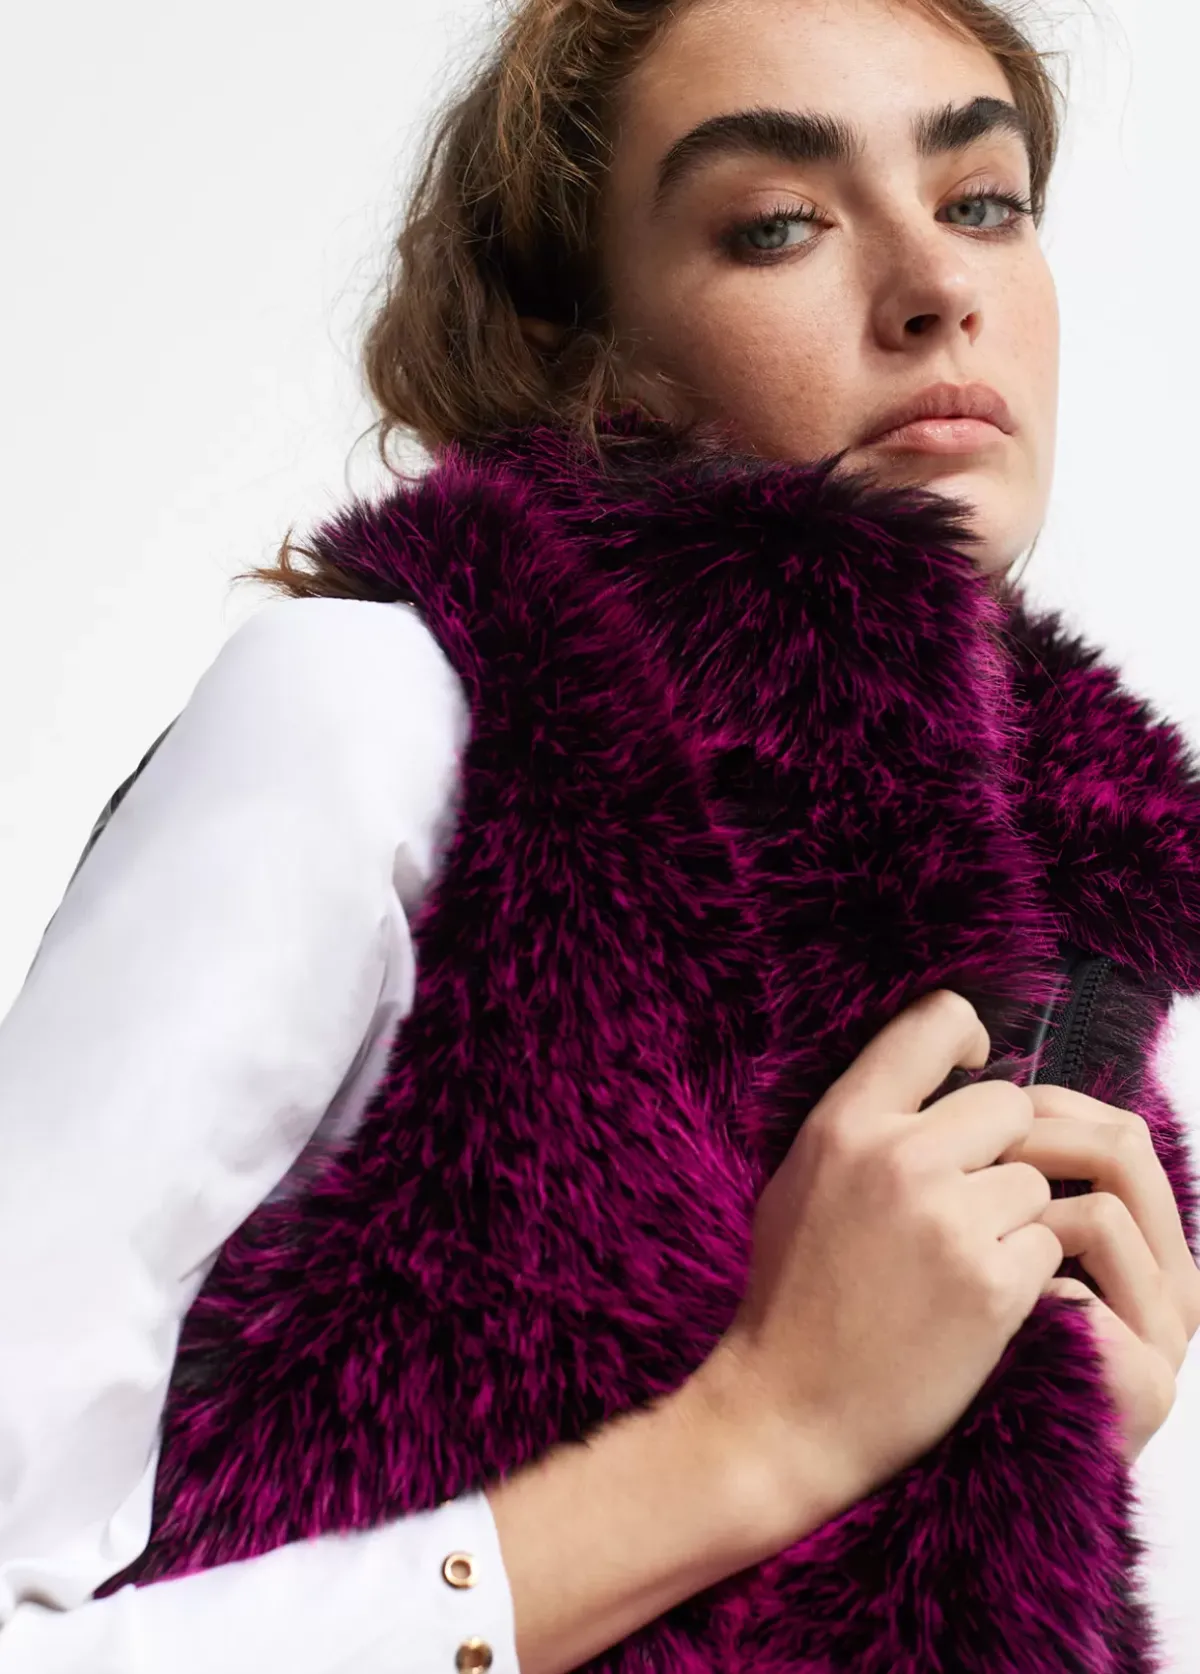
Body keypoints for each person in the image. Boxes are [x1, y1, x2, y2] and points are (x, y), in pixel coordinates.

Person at [2, 0, 1199, 1671]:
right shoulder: (386, 713)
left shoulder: (1044, 934)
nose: (937, 282)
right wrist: (763, 1433)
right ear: (582, 352)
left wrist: (1021, 1463)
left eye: (983, 199)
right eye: (777, 223)